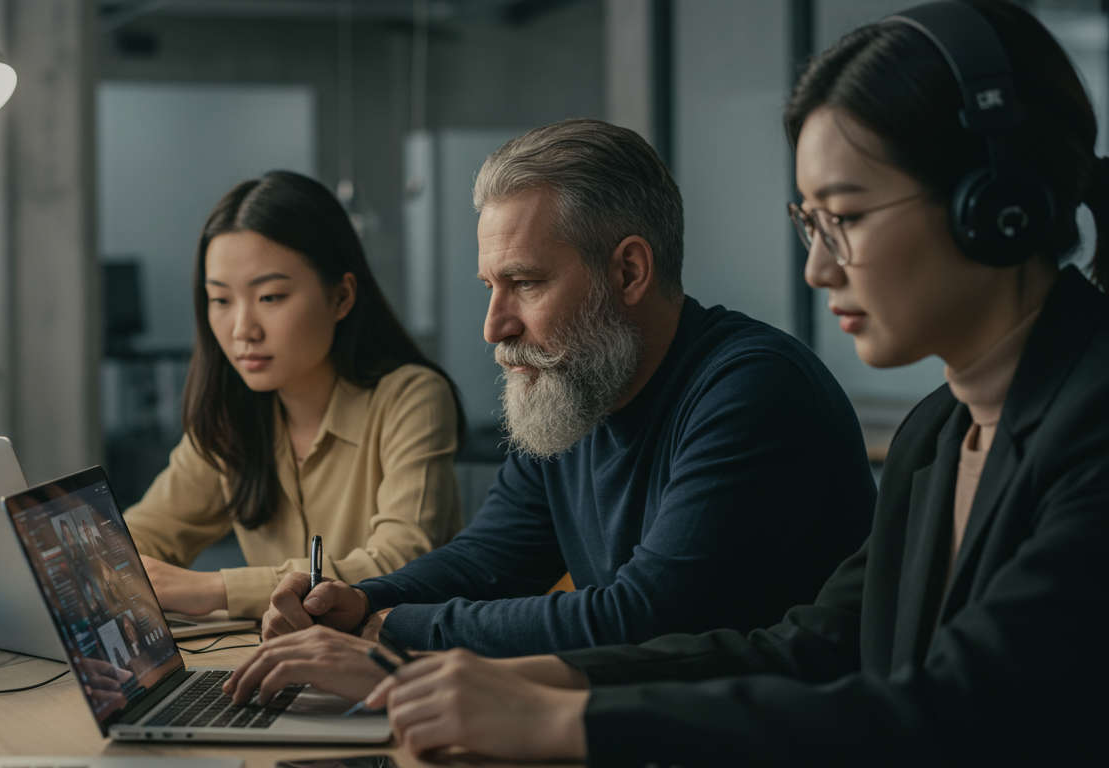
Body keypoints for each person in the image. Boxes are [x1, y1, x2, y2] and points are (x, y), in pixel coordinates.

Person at [330, 2, 1109, 762]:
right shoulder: (937, 432)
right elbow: (806, 649)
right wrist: (541, 680)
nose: (817, 267)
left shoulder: (1091, 426)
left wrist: (570, 722)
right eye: (810, 224)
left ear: (995, 207)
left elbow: (950, 707)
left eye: (846, 216)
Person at [225, 116, 876, 694]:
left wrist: (387, 627)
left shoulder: (752, 390)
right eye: (489, 286)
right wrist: (358, 599)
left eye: (525, 284)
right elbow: (488, 561)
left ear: (628, 272)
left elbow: (639, 619)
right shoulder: (580, 387)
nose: (494, 325)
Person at [125, 170, 467, 619]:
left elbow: (398, 562)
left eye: (270, 297)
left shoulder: (411, 398)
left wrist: (213, 589)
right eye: (221, 301)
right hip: (277, 668)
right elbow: (139, 538)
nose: (243, 329)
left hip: (397, 671)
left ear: (341, 296)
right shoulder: (234, 417)